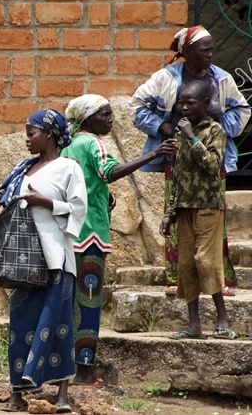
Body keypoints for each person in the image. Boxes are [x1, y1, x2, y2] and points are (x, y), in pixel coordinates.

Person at [60, 95, 178, 386]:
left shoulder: (69, 146)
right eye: (105, 114)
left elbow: (84, 183)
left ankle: (64, 368)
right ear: (88, 119)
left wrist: (104, 196)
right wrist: (153, 154)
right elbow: (108, 171)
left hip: (69, 234)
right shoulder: (92, 143)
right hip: (90, 237)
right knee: (89, 303)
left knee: (70, 303)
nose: (111, 120)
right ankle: (84, 371)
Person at [131, 25, 251, 297]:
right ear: (187, 52)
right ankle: (177, 279)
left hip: (211, 161)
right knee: (176, 217)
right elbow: (136, 107)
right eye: (204, 48)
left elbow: (242, 110)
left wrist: (218, 129)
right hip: (178, 160)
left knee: (214, 221)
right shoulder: (166, 78)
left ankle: (218, 280)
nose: (210, 53)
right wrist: (162, 127)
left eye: (212, 48)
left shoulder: (221, 79)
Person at [0, 109, 87, 413]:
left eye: (31, 133)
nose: (27, 139)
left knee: (58, 324)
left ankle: (62, 396)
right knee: (20, 323)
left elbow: (78, 210)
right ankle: (17, 394)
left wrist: (44, 202)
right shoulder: (25, 169)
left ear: (49, 134)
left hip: (56, 259)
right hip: (24, 261)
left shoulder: (68, 168)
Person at [161, 80, 235, 340]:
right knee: (186, 265)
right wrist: (169, 213)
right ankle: (194, 325)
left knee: (206, 260)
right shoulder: (180, 133)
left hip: (208, 206)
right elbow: (178, 177)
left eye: (189, 103)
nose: (184, 108)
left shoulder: (214, 131)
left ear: (205, 103)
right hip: (183, 207)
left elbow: (213, 165)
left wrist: (192, 137)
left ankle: (223, 318)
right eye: (181, 103)